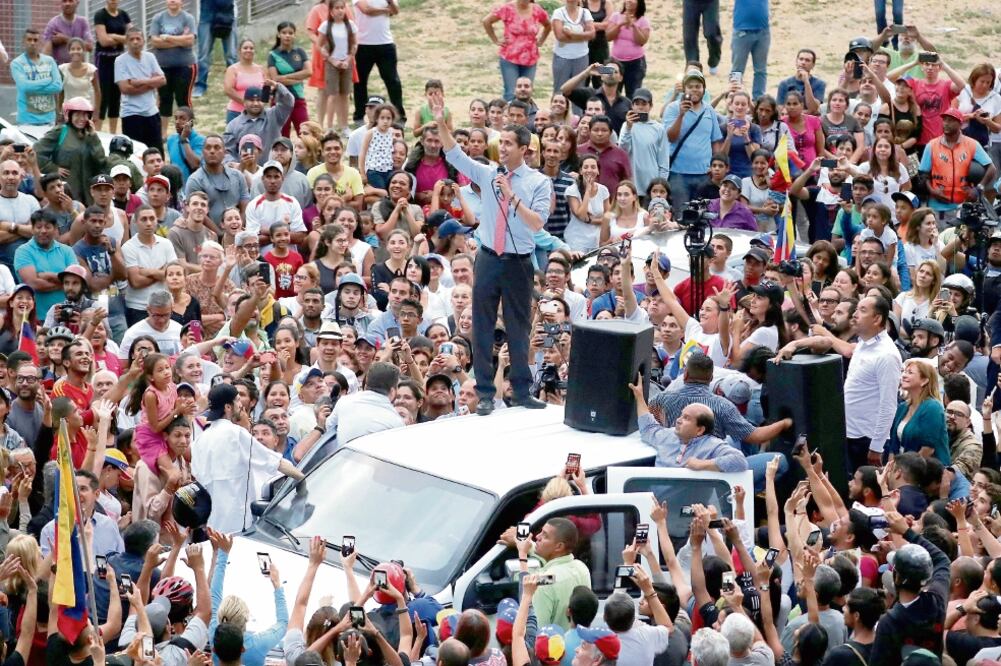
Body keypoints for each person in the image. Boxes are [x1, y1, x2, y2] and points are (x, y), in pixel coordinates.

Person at [432, 99, 552, 414]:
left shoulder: (538, 182)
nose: (503, 148)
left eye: (509, 143)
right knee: (483, 324)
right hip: (488, 257)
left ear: (524, 149)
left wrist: (512, 197)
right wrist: (441, 122)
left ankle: (522, 390)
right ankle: (485, 392)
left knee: (518, 326)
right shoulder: (487, 173)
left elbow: (537, 223)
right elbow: (454, 155)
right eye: (502, 142)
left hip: (519, 262)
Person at [192, 383, 304, 534]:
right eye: (237, 400)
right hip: (237, 526)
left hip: (212, 528)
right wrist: (303, 479)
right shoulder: (235, 433)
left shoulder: (200, 440)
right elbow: (275, 462)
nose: (241, 405)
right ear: (228, 407)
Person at [844, 295, 902, 470]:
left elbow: (889, 405)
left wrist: (876, 446)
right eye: (856, 309)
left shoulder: (887, 354)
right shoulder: (862, 343)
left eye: (862, 310)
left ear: (877, 319)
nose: (855, 314)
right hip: (849, 433)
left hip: (867, 440)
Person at [664, 69, 723, 219]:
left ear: (704, 89)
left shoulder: (709, 110)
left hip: (704, 174)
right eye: (690, 86)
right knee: (681, 216)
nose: (694, 89)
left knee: (703, 216)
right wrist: (681, 115)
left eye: (698, 86)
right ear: (684, 89)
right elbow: (670, 137)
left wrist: (715, 166)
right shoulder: (672, 108)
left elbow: (715, 141)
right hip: (678, 174)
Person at [34, 98, 107, 206]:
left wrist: (94, 137)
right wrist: (53, 169)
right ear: (69, 115)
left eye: (85, 115)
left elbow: (101, 161)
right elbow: (36, 152)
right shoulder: (60, 131)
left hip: (89, 196)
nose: (82, 118)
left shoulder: (91, 136)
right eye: (77, 114)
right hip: (65, 193)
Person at [14, 210, 81, 321]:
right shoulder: (23, 251)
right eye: (38, 227)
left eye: (48, 227)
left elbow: (76, 280)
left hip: (66, 316)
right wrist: (64, 283)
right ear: (32, 229)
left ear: (55, 229)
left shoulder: (67, 251)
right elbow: (33, 283)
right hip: (36, 319)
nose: (43, 231)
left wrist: (47, 276)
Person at [482, 0, 551, 102]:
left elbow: (548, 25)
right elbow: (486, 21)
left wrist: (541, 40)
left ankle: (526, 112)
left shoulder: (537, 10)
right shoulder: (507, 8)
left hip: (530, 59)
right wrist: (495, 40)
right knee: (511, 92)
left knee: (526, 93)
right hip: (510, 58)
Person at [121, 206, 178, 325]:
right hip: (138, 307)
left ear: (157, 221)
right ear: (135, 222)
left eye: (152, 219)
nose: (148, 223)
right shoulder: (128, 247)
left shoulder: (166, 244)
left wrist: (147, 272)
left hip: (165, 307)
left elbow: (173, 274)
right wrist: (161, 273)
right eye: (144, 219)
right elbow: (136, 282)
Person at [351, 0, 405, 125]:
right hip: (363, 44)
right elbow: (366, 10)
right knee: (360, 81)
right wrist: (386, 10)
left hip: (385, 43)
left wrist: (390, 4)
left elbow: (396, 10)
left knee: (392, 80)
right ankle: (359, 115)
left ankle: (399, 115)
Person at [148, 0, 197, 138]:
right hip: (162, 66)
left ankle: (188, 131)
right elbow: (155, 42)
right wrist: (179, 41)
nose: (173, 1)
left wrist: (167, 38)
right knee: (164, 99)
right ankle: (163, 133)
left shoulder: (188, 18)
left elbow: (190, 41)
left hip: (185, 65)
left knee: (183, 100)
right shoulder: (158, 18)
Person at [115, 27, 166, 153]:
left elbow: (162, 80)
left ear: (143, 41)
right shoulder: (120, 61)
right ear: (126, 42)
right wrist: (151, 82)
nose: (135, 42)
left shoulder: (150, 57)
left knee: (156, 152)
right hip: (131, 114)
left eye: (138, 38)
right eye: (132, 39)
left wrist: (139, 82)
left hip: (151, 112)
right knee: (135, 153)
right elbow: (125, 88)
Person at [326, 361, 403, 444]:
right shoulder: (396, 423)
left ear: (365, 385)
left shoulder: (344, 402)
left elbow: (328, 427)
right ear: (392, 391)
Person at [888, 359, 949, 463]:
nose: (904, 375)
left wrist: (904, 469)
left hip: (924, 468)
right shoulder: (902, 407)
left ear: (924, 380)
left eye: (910, 372)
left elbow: (927, 449)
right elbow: (894, 446)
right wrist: (891, 468)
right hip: (902, 466)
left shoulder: (933, 407)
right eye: (904, 371)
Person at [185, 135, 251, 227]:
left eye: (217, 147)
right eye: (208, 148)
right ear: (203, 152)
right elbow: (196, 212)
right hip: (207, 233)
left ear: (225, 152)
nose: (212, 151)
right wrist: (219, 233)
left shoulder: (238, 176)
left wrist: (237, 229)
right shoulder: (195, 180)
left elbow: (245, 207)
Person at [223, 83, 295, 166]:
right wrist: (235, 165)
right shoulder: (233, 125)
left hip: (273, 170)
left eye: (259, 100)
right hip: (246, 171)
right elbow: (227, 151)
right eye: (251, 100)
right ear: (244, 102)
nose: (255, 103)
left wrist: (278, 87)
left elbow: (288, 102)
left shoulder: (274, 115)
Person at [619, 89, 670, 194]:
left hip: (651, 185)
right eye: (637, 104)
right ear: (632, 106)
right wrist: (628, 128)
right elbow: (623, 151)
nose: (640, 107)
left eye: (644, 104)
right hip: (632, 184)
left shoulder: (659, 128)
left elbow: (664, 161)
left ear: (650, 106)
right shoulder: (626, 126)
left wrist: (660, 186)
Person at [267, 22, 312, 137]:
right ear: (279, 34)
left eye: (290, 33)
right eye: (284, 33)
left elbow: (308, 72)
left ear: (294, 35)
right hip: (280, 100)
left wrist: (286, 77)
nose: (287, 35)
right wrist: (297, 79)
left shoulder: (300, 52)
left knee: (305, 132)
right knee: (282, 136)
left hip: (298, 97)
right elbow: (275, 79)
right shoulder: (273, 55)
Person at [10, 29, 63, 125]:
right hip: (26, 120)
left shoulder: (49, 61)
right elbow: (24, 87)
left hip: (49, 119)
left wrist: (33, 88)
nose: (32, 43)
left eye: (35, 40)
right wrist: (48, 80)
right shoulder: (17, 63)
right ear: (23, 42)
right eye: (29, 39)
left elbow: (58, 86)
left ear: (40, 42)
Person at [92, 0, 131, 133]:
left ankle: (113, 133)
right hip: (103, 60)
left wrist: (113, 36)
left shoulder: (124, 15)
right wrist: (122, 38)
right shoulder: (100, 15)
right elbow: (103, 41)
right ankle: (97, 132)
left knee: (116, 97)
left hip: (119, 59)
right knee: (103, 96)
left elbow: (132, 37)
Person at [193, 0, 238, 98]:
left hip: (228, 15)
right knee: (203, 54)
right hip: (206, 17)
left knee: (231, 55)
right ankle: (200, 85)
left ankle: (234, 84)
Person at [605, 0, 650, 97]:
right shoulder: (616, 16)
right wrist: (620, 24)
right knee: (612, 93)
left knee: (633, 94)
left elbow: (642, 41)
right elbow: (608, 37)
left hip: (636, 64)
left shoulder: (643, 20)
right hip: (615, 63)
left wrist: (633, 25)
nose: (629, 1)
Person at [551, 0, 595, 94]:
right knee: (559, 90)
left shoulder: (585, 13)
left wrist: (571, 34)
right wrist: (583, 36)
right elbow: (560, 37)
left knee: (579, 91)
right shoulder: (558, 13)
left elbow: (591, 34)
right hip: (562, 57)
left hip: (581, 57)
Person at [729, 0, 770, 99]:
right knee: (737, 70)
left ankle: (758, 99)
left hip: (763, 30)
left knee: (761, 69)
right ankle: (734, 97)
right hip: (742, 30)